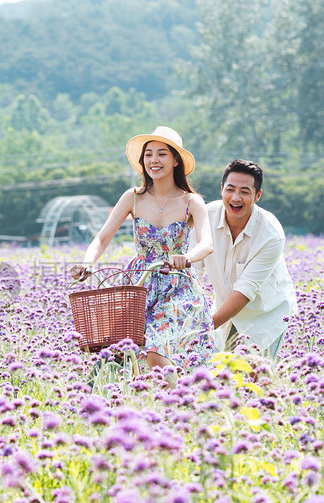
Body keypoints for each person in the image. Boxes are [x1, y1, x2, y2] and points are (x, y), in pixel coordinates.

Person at [70, 126, 215, 372]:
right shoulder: (133, 197)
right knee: (131, 354)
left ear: (176, 160)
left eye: (162, 154)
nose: (153, 160)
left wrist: (186, 258)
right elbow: (102, 238)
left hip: (177, 284)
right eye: (148, 154)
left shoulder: (192, 201)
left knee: (158, 350)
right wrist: (87, 262)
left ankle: (174, 401)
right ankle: (156, 402)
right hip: (140, 285)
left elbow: (206, 243)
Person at [192, 159, 297, 360]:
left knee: (255, 379)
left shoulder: (270, 234)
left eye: (245, 192)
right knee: (222, 376)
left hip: (265, 315)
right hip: (224, 310)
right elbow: (192, 271)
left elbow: (244, 290)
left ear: (257, 196)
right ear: (222, 189)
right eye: (230, 189)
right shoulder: (205, 217)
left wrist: (202, 328)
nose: (236, 198)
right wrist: (187, 317)